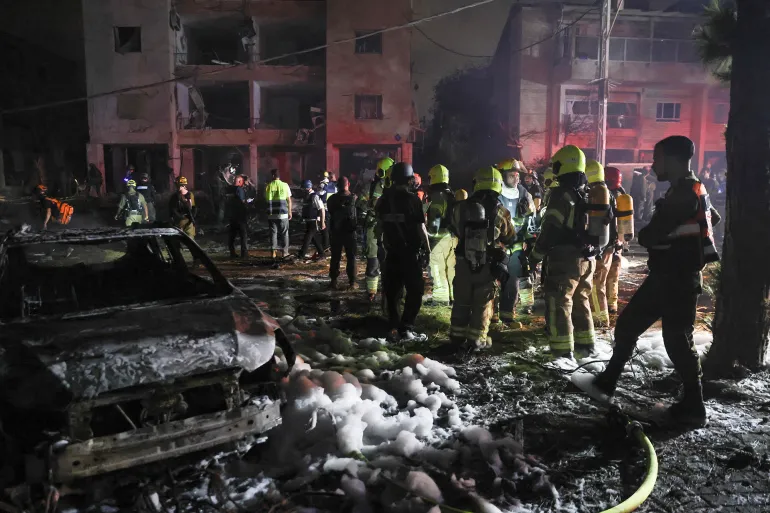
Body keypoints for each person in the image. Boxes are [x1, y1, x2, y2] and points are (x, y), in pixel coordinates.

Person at [574, 135, 721, 428]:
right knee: (655, 333)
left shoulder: (681, 194)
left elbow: (649, 235)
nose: (654, 165)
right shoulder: (695, 187)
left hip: (674, 278)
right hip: (675, 276)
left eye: (657, 158)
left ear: (673, 159)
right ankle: (612, 381)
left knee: (669, 338)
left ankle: (692, 406)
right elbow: (711, 218)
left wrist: (665, 234)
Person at [529, 145, 595, 358]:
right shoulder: (586, 192)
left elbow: (551, 229)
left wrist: (535, 256)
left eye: (556, 165)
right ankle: (586, 345)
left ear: (564, 165)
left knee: (559, 302)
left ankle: (562, 351)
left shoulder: (560, 194)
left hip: (565, 258)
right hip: (587, 256)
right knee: (581, 300)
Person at [450, 167, 515, 350]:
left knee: (461, 300)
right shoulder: (502, 212)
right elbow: (509, 237)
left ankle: (456, 336)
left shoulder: (460, 208)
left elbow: (455, 229)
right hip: (488, 265)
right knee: (483, 303)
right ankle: (476, 341)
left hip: (463, 262)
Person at [377, 163, 431, 341]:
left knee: (393, 291)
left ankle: (393, 327)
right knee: (415, 290)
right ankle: (406, 328)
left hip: (392, 252)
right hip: (410, 253)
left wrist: (381, 246)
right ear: (409, 180)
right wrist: (428, 249)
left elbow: (379, 227)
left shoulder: (384, 200)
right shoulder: (413, 200)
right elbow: (420, 228)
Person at [496, 159, 536, 329]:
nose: (516, 178)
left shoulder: (524, 194)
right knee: (494, 281)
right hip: (498, 246)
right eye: (512, 175)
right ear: (503, 176)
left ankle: (507, 316)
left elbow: (532, 220)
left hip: (517, 246)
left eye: (517, 175)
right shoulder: (496, 193)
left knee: (513, 280)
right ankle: (491, 317)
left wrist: (528, 240)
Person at [592, 166, 627, 319]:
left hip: (606, 244)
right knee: (613, 276)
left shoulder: (604, 195)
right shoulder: (622, 195)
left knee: (598, 281)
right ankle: (611, 304)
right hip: (617, 243)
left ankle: (600, 317)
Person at [362, 158, 393, 301]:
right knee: (375, 259)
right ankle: (373, 292)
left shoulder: (387, 187)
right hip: (377, 227)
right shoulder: (375, 186)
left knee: (381, 260)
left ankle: (378, 292)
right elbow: (363, 202)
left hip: (381, 228)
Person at [425, 164, 456, 306]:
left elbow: (435, 220)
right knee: (451, 269)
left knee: (437, 268)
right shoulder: (450, 193)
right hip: (453, 236)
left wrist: (428, 237)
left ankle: (440, 300)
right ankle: (454, 297)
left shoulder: (437, 195)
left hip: (440, 237)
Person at [327, 177, 359, 290]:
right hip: (350, 232)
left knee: (335, 257)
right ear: (348, 184)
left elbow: (330, 212)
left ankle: (333, 281)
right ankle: (352, 282)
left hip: (336, 232)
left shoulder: (331, 199)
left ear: (337, 186)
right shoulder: (355, 198)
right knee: (351, 257)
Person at [265, 168, 293, 266]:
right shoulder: (285, 185)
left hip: (272, 214)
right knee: (284, 233)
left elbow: (266, 200)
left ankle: (273, 252)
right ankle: (285, 252)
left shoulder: (269, 186)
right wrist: (290, 211)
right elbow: (289, 200)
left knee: (273, 233)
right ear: (279, 176)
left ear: (273, 176)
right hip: (283, 213)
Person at [298, 179, 326, 261]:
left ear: (307, 188)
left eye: (303, 188)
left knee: (307, 238)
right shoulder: (307, 196)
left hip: (313, 222)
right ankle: (322, 254)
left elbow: (322, 209)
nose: (302, 190)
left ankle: (301, 255)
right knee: (314, 239)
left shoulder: (314, 196)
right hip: (308, 221)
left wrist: (322, 222)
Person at [227, 175, 251, 259]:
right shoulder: (239, 190)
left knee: (232, 237)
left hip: (232, 217)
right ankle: (244, 254)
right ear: (240, 182)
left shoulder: (229, 189)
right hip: (240, 217)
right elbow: (242, 202)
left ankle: (232, 253)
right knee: (243, 236)